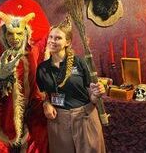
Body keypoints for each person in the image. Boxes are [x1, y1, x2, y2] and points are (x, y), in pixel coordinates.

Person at [0, 9, 49, 153]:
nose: (14, 38)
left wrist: (59, 29)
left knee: (42, 134)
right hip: (5, 110)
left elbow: (47, 39)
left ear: (25, 34)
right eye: (10, 33)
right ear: (4, 35)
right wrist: (2, 75)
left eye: (19, 33)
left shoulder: (33, 52)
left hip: (32, 107)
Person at [36, 16, 106, 153]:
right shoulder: (42, 68)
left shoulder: (79, 63)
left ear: (67, 42)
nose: (52, 41)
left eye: (58, 38)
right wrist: (46, 104)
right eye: (50, 37)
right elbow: (42, 95)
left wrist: (97, 93)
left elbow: (91, 95)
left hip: (84, 118)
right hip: (58, 121)